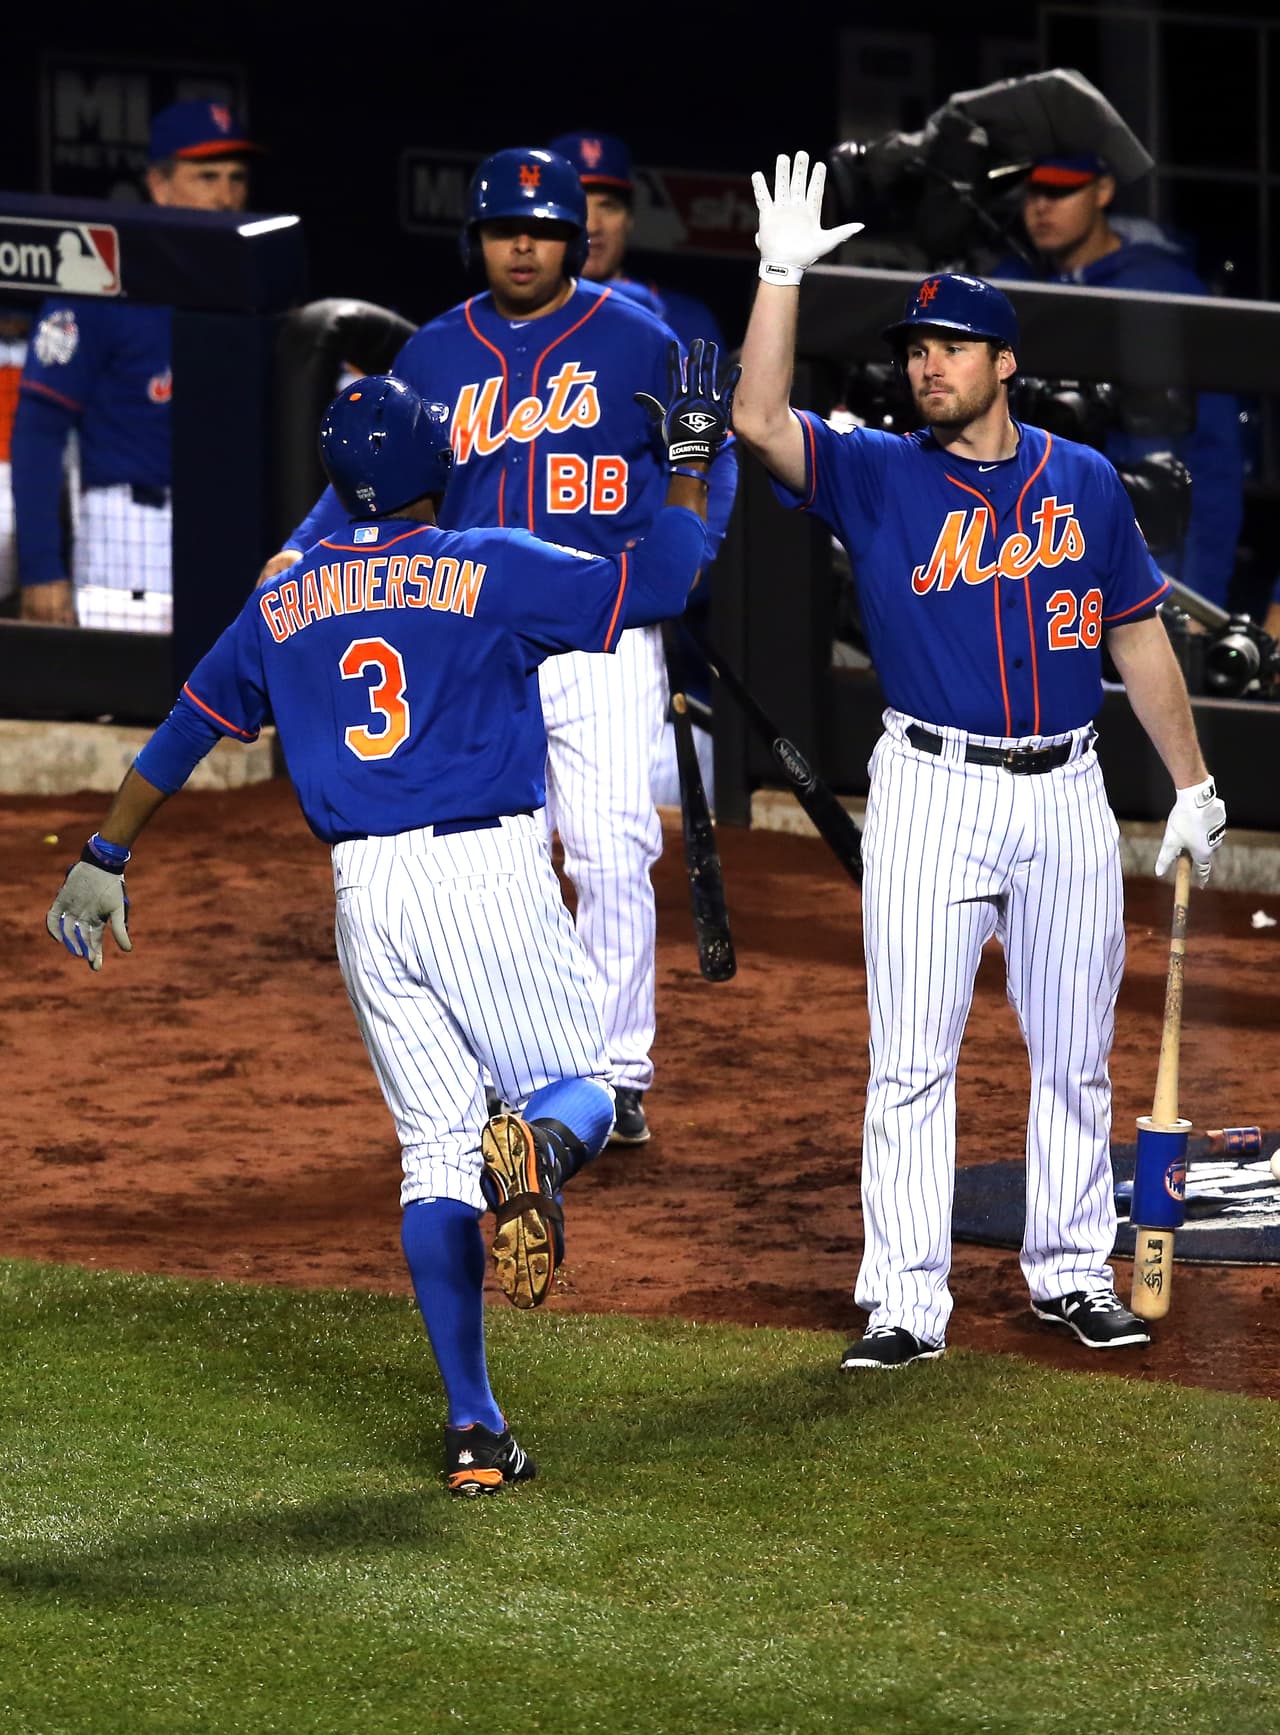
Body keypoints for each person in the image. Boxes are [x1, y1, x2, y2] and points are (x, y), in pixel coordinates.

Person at [44, 355, 736, 1495]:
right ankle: (544, 1153)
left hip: (366, 898)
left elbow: (190, 724)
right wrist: (688, 462)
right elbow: (657, 582)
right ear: (437, 471)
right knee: (585, 1087)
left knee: (431, 1153)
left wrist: (106, 850)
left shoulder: (283, 592)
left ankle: (474, 1430)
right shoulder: (490, 565)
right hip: (483, 874)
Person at [731, 152, 1227, 1369]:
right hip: (929, 790)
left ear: (1003, 363)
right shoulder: (874, 471)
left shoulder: (1086, 483)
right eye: (914, 347)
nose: (925, 364)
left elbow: (1134, 631)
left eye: (950, 346)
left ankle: (1068, 1273)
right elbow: (751, 419)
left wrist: (1195, 781)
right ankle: (904, 1298)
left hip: (1064, 791)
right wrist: (776, 276)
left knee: (1071, 1056)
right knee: (910, 1056)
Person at [260, 146, 737, 1148]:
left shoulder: (637, 340)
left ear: (574, 238)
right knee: (498, 863)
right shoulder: (433, 354)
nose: (522, 247)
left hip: (602, 623)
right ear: (475, 238)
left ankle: (613, 1076)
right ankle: (513, 1073)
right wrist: (300, 548)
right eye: (502, 230)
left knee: (611, 854)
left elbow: (706, 455)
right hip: (470, 638)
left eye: (542, 230)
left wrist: (692, 551)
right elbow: (370, 466)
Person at [11, 99, 261, 633]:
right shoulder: (102, 285)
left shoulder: (257, 293)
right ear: (159, 185)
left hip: (228, 534)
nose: (226, 196)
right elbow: (38, 428)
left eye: (237, 178)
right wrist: (40, 570)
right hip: (129, 535)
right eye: (207, 176)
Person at [549, 128, 734, 808]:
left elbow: (718, 459)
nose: (594, 221)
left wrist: (690, 559)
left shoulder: (682, 321)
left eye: (611, 203)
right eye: (579, 201)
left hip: (645, 626)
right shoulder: (497, 325)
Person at [992, 152, 1244, 610]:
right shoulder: (1011, 290)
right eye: (1034, 192)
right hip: (1026, 554)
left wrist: (1198, 597)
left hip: (1146, 551)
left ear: (1102, 192)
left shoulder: (1164, 291)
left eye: (1061, 191)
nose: (1041, 208)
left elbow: (1213, 456)